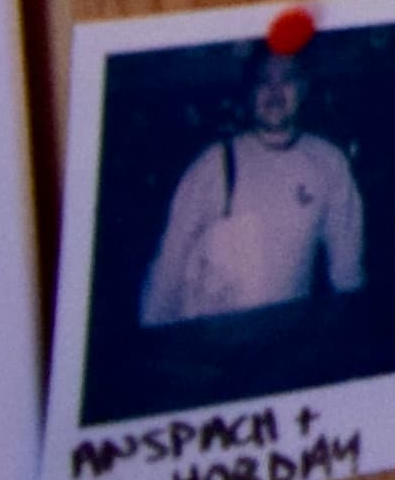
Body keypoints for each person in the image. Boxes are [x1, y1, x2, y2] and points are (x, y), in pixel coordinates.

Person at [139, 44, 366, 335]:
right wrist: (150, 340)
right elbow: (169, 263)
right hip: (215, 346)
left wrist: (352, 333)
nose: (274, 92)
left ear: (304, 87)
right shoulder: (212, 165)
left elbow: (347, 269)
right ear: (249, 92)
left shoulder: (328, 163)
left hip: (287, 345)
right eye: (263, 81)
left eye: (287, 78)